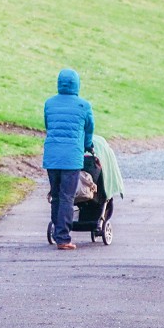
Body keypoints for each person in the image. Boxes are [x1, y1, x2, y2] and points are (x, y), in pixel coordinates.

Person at [43, 68, 95, 249]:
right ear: (77, 84)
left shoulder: (49, 103)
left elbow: (48, 125)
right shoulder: (84, 105)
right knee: (67, 197)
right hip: (71, 158)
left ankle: (57, 231)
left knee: (56, 195)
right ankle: (63, 238)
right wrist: (88, 145)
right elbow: (89, 130)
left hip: (52, 156)